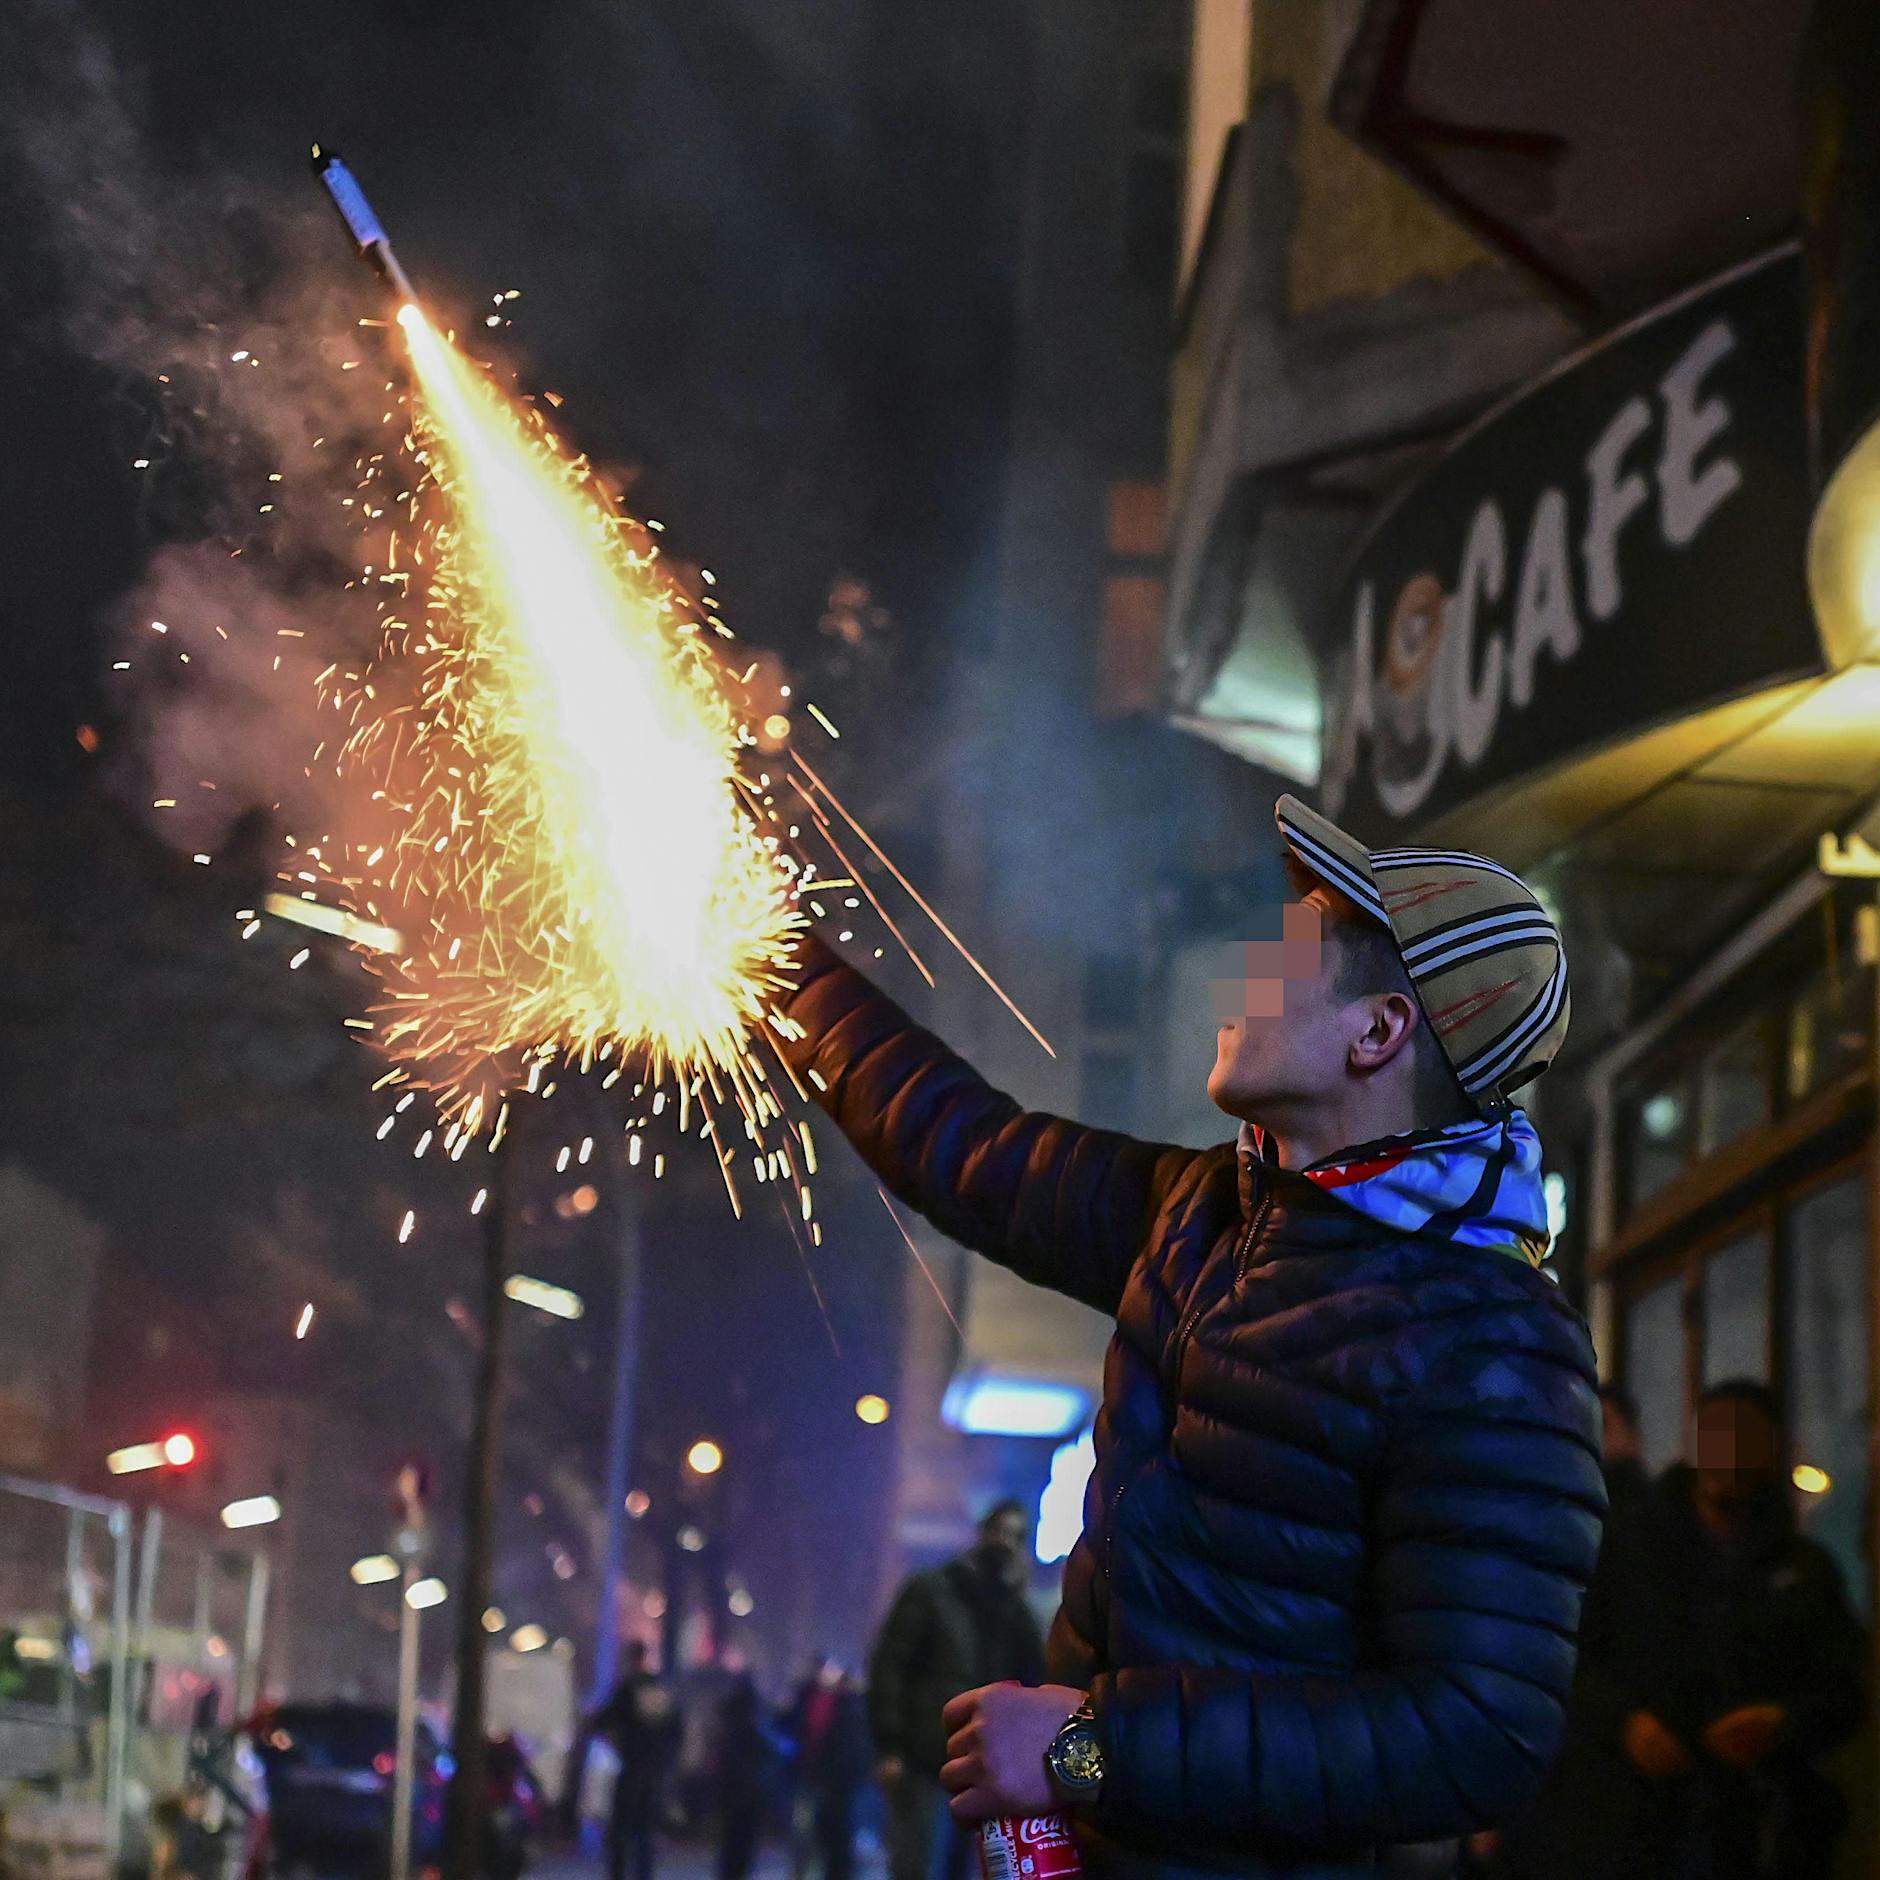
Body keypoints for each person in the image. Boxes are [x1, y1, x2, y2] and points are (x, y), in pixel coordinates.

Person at [779, 795, 1606, 1878]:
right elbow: (964, 1149)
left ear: (1377, 1030)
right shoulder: (1199, 1210)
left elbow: (1474, 1734)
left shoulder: (1495, 1343)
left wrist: (1087, 1749)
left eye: (1291, 954)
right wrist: (774, 961)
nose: (1244, 973)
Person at [1505, 1379, 1866, 1880]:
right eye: (1719, 1434)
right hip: (1623, 1823)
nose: (1731, 1452)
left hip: (1753, 1828)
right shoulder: (1624, 1547)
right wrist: (1624, 1723)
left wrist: (1782, 1722)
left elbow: (1843, 1690)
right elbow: (1558, 1658)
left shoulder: (1803, 1568)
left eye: (1748, 1436)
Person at [867, 1501, 1045, 1880]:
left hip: (986, 1772)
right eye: (999, 1531)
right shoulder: (932, 1591)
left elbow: (1036, 1680)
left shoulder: (1015, 1611)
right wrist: (890, 1746)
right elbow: (891, 1666)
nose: (1004, 1543)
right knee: (918, 1869)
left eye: (1016, 1537)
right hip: (925, 1761)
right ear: (981, 1533)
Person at [593, 1640, 683, 1880]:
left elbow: (602, 1721)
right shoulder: (660, 1690)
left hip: (632, 1768)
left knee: (621, 1830)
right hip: (655, 1771)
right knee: (645, 1832)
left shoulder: (627, 1690)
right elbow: (675, 1729)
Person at [786, 1656, 872, 1880]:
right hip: (816, 1777)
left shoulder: (846, 1706)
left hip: (835, 1782)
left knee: (830, 1835)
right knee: (810, 1833)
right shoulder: (817, 1701)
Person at [714, 1671, 784, 1880]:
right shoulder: (756, 1729)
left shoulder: (730, 1728)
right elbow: (772, 1752)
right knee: (743, 1845)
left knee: (731, 1843)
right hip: (750, 1794)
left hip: (733, 1793)